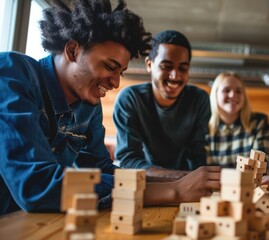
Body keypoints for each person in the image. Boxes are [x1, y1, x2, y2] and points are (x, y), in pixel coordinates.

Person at [0, 0, 219, 215]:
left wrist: (182, 179)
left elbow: (101, 171)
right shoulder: (12, 73)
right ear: (73, 50)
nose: (115, 83)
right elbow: (37, 185)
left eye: (120, 72)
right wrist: (173, 191)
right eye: (109, 66)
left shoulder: (89, 105)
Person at [113, 30, 218, 181]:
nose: (175, 75)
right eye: (166, 66)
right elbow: (128, 159)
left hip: (185, 183)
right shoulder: (130, 99)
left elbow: (196, 154)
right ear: (149, 65)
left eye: (183, 68)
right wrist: (179, 177)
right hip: (147, 181)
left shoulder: (199, 100)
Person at [206, 72, 269, 168]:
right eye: (226, 90)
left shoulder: (259, 122)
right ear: (215, 94)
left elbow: (261, 167)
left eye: (238, 91)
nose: (232, 95)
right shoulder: (204, 125)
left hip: (250, 183)